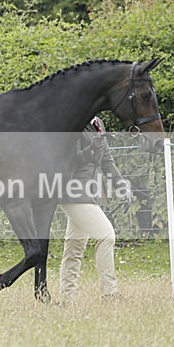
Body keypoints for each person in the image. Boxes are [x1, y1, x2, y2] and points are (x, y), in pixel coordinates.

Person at [59, 116, 132, 300]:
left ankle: (67, 299)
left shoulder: (97, 124)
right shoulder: (73, 123)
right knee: (106, 236)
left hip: (90, 192)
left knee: (74, 247)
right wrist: (90, 150)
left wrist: (122, 185)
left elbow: (107, 161)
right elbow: (71, 160)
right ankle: (110, 293)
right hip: (73, 191)